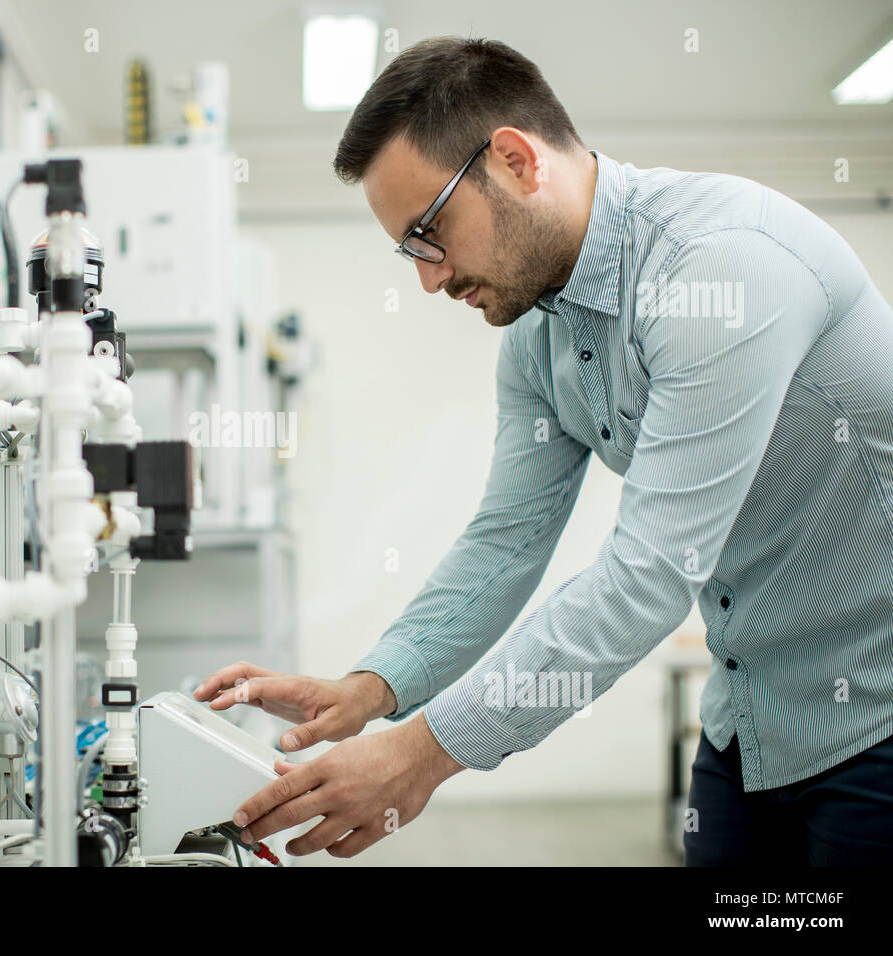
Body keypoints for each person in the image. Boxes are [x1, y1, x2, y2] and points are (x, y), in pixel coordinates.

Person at [193, 36, 893, 865]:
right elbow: (508, 539)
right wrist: (373, 687)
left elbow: (647, 577)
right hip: (751, 725)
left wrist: (423, 754)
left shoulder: (721, 270)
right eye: (409, 251)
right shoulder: (538, 335)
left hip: (876, 721)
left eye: (430, 232)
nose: (428, 278)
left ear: (518, 161)